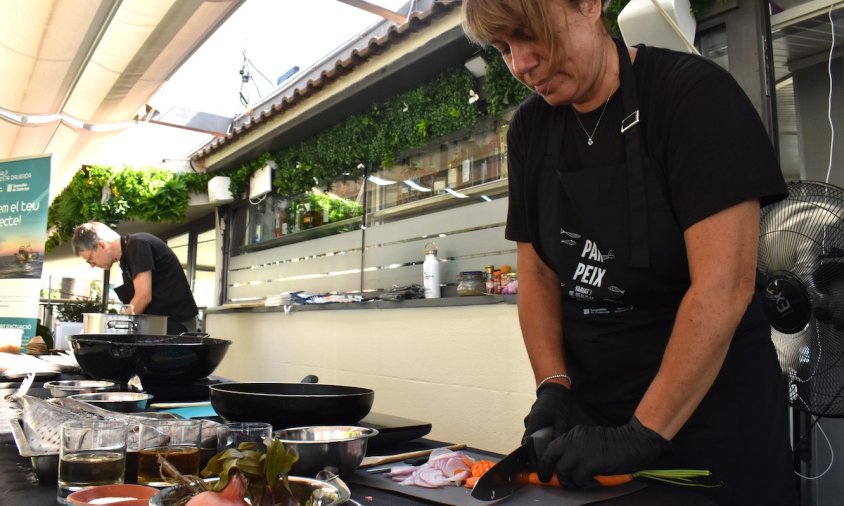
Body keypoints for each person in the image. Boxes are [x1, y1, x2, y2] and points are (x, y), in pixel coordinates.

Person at [461, 1, 797, 504]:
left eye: (529, 35)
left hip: (714, 427)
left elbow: (723, 286)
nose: (520, 64)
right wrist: (553, 385)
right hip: (594, 433)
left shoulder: (693, 96)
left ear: (590, 5)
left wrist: (643, 431)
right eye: (504, 48)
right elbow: (537, 275)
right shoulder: (531, 129)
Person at [71, 221, 199, 335]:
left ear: (102, 245)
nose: (92, 265)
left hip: (178, 327)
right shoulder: (125, 257)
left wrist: (114, 329)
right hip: (160, 326)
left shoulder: (138, 245)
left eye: (90, 259)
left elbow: (143, 297)